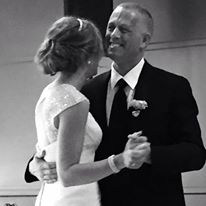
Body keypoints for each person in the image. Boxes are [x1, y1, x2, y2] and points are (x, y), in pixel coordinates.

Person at [25, 3, 206, 206]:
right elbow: (58, 143)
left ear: (144, 41)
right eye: (111, 27)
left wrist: (149, 154)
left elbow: (196, 154)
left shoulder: (172, 87)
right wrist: (34, 166)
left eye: (124, 29)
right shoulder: (84, 90)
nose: (113, 35)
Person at [29, 15, 150, 206]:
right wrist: (121, 160)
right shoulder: (76, 100)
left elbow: (48, 148)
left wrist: (37, 160)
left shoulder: (49, 93)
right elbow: (68, 174)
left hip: (53, 197)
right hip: (74, 199)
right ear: (88, 57)